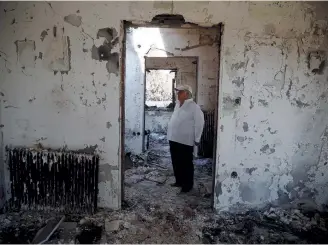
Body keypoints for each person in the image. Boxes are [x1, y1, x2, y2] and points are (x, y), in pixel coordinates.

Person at [167, 84, 205, 193]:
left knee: (186, 163)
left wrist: (197, 139)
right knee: (176, 162)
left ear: (186, 93)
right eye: (177, 92)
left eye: (179, 92)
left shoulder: (194, 107)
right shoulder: (178, 104)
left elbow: (199, 123)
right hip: (174, 138)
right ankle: (178, 181)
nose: (177, 94)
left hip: (185, 141)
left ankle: (187, 185)